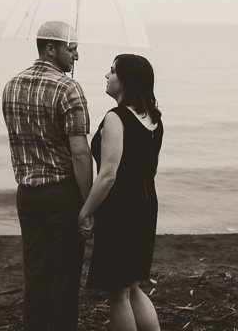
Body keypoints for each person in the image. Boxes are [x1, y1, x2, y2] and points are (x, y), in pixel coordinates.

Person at [1, 20, 94, 331]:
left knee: (36, 274)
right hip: (62, 195)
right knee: (64, 277)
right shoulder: (68, 88)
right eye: (72, 49)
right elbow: (80, 153)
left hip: (26, 196)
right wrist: (88, 205)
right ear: (51, 49)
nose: (76, 56)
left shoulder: (11, 84)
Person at [78, 54, 164, 331]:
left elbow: (108, 175)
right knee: (133, 287)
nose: (107, 75)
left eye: (112, 71)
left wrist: (85, 211)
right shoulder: (154, 119)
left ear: (125, 79)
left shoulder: (116, 117)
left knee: (118, 292)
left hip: (120, 211)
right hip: (146, 205)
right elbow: (148, 169)